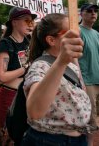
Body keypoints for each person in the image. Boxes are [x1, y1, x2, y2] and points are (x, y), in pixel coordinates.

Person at [22, 13, 92, 146]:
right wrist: (61, 62)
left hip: (78, 138)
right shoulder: (40, 66)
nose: (77, 35)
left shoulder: (71, 64)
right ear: (51, 40)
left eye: (77, 31)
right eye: (69, 32)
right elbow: (34, 111)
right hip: (50, 141)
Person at [0, 7, 36, 142]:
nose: (30, 24)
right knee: (8, 138)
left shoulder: (30, 41)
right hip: (10, 97)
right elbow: (1, 76)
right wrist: (25, 68)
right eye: (26, 21)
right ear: (14, 22)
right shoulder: (6, 43)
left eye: (32, 21)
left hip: (28, 95)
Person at [78, 3, 99, 145]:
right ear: (81, 13)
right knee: (91, 119)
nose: (93, 13)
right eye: (89, 11)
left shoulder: (96, 33)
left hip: (97, 78)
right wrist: (81, 81)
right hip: (87, 81)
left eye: (95, 11)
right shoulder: (77, 31)